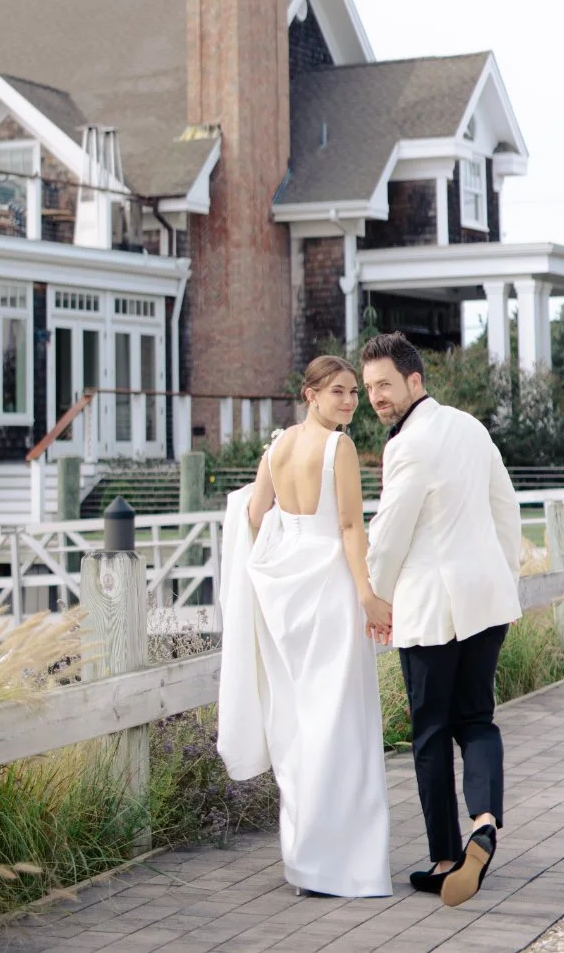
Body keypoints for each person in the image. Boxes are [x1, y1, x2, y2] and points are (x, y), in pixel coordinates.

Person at [217, 354, 393, 899]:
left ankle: (305, 860)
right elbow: (347, 526)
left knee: (299, 719)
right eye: (338, 392)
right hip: (330, 592)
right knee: (340, 721)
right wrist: (367, 593)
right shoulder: (337, 447)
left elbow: (252, 518)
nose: (348, 402)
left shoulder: (275, 449)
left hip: (285, 597)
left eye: (353, 394)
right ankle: (343, 865)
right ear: (310, 395)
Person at [362, 330, 522, 908]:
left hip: (433, 609)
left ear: (414, 381)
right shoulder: (472, 428)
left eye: (385, 385)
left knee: (430, 733)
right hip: (486, 601)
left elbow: (391, 531)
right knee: (477, 719)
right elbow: (505, 507)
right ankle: (483, 820)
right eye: (369, 389)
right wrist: (505, 578)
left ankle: (447, 857)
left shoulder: (407, 445)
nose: (377, 397)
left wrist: (374, 595)